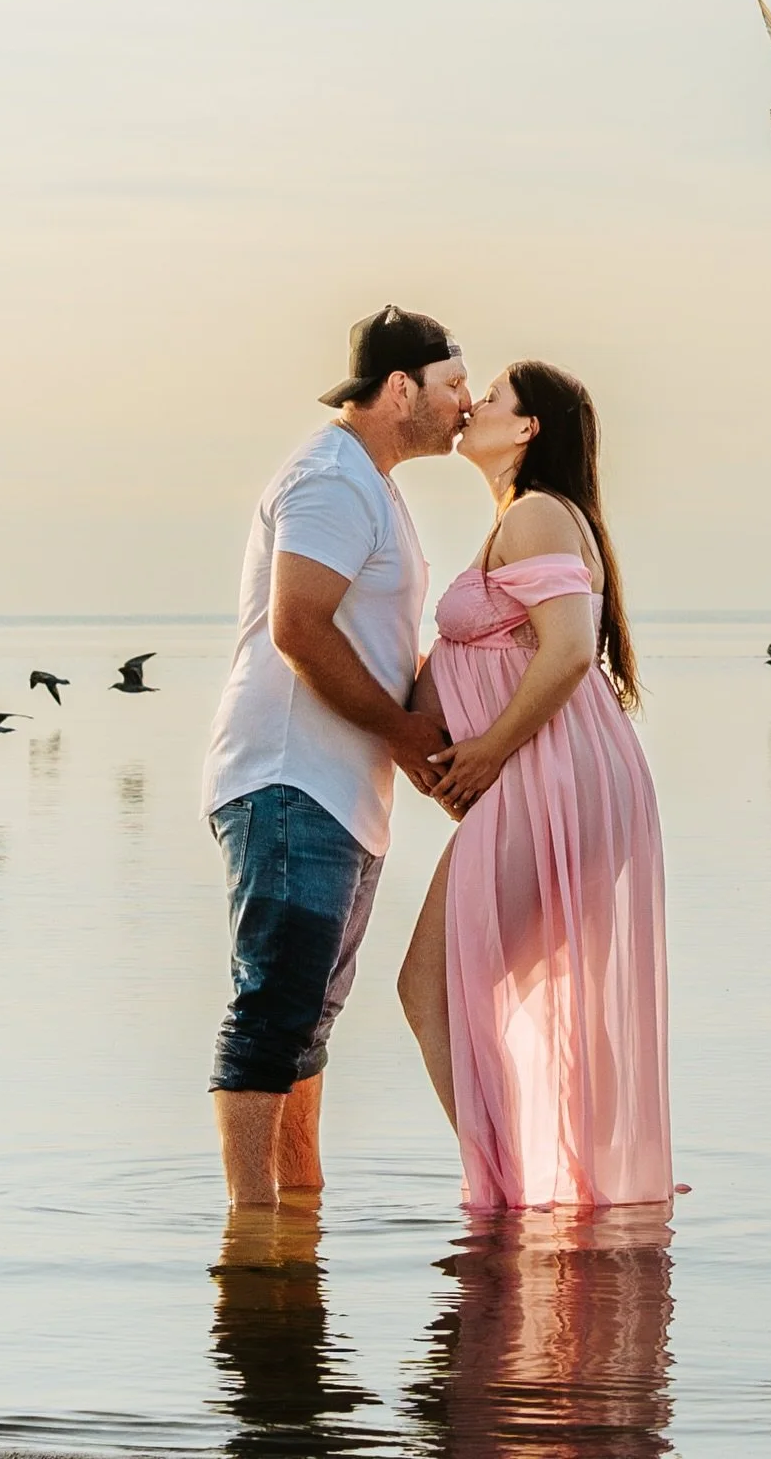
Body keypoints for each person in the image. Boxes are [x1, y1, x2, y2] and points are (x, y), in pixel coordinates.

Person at [203, 305, 471, 1206]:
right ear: (401, 388)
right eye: (453, 385)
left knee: (308, 1023)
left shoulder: (372, 482)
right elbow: (299, 628)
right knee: (273, 1012)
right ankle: (253, 1239)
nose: (466, 403)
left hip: (343, 793)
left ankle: (299, 1216)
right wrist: (403, 733)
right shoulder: (330, 479)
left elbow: (380, 645)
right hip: (289, 779)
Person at [398, 361, 672, 1209]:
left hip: (548, 772)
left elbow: (567, 651)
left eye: (495, 397)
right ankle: (539, 1182)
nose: (474, 402)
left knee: (431, 985)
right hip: (547, 774)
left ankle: (510, 1192)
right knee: (464, 985)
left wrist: (485, 754)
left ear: (526, 430)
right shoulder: (516, 521)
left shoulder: (541, 514)